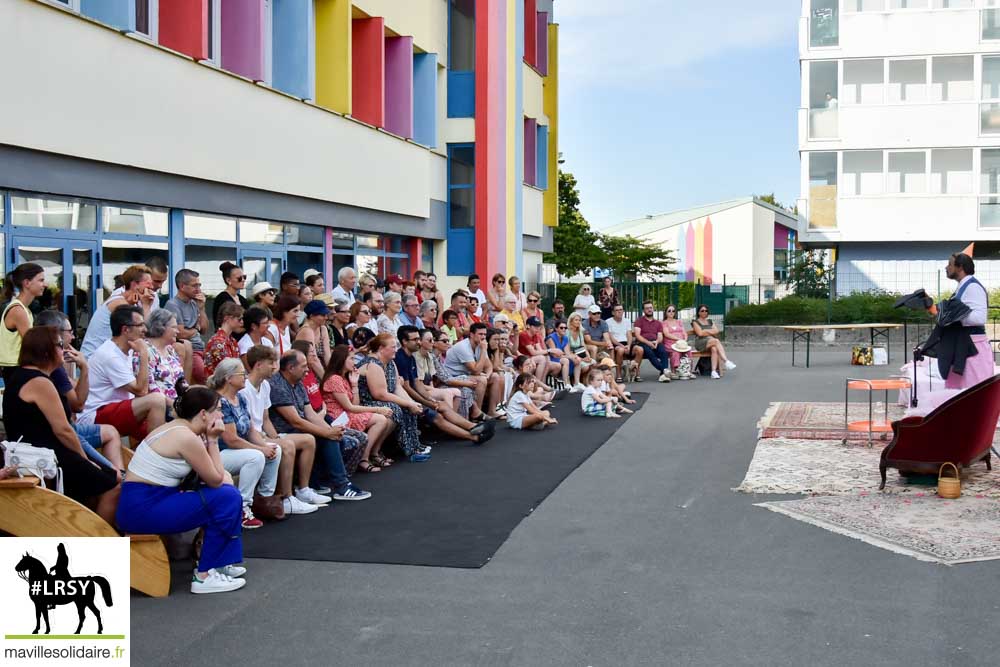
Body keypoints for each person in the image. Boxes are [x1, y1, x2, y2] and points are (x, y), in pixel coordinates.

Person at [117, 386, 247, 594]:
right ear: (203, 414)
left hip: (147, 502)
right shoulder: (186, 437)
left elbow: (215, 476)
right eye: (218, 409)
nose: (221, 415)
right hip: (144, 508)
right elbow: (215, 479)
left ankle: (219, 563)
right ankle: (204, 577)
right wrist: (213, 440)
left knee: (226, 493)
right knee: (227, 497)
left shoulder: (178, 429)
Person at [3, 327, 121, 525]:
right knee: (113, 486)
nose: (65, 348)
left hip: (42, 451)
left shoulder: (25, 376)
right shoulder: (39, 382)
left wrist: (85, 369)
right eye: (60, 345)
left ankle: (88, 533)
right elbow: (64, 430)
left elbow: (78, 405)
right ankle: (99, 541)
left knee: (106, 480)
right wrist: (85, 460)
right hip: (47, 455)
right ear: (46, 350)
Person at [270, 350, 370, 501]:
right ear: (291, 368)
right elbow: (295, 421)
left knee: (336, 437)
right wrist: (326, 433)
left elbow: (310, 414)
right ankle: (341, 486)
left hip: (299, 429)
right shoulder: (277, 385)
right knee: (327, 438)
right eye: (304, 366)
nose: (307, 369)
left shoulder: (297, 383)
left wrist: (330, 430)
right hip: (284, 432)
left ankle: (315, 483)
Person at [35, 311, 124, 472]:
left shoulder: (48, 364)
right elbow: (78, 405)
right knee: (113, 477)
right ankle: (118, 479)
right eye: (70, 332)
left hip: (65, 429)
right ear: (57, 334)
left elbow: (75, 394)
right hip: (61, 435)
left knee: (111, 432)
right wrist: (84, 368)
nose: (74, 337)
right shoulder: (53, 368)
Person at [238, 345, 318, 516]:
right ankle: (286, 498)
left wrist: (275, 436)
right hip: (251, 437)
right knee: (286, 446)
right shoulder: (244, 390)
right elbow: (249, 426)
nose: (275, 367)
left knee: (308, 440)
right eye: (271, 363)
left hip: (265, 434)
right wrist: (272, 439)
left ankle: (303, 490)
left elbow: (265, 419)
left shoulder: (265, 385)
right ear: (258, 365)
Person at [211, 359, 282, 530]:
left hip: (236, 450)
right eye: (241, 374)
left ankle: (265, 499)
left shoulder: (240, 398)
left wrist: (266, 446)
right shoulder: (220, 402)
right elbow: (231, 440)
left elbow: (250, 430)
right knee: (256, 456)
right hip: (218, 452)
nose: (245, 377)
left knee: (275, 449)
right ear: (228, 378)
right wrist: (260, 449)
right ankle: (242, 506)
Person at [79, 306, 168, 441]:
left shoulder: (128, 349)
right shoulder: (110, 355)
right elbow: (141, 391)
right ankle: (154, 455)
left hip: (119, 408)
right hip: (96, 415)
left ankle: (150, 453)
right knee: (156, 400)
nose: (145, 329)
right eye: (140, 325)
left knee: (170, 431)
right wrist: (144, 353)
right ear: (125, 329)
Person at [394, 326, 493, 444]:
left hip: (418, 395)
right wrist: (427, 402)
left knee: (443, 406)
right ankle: (474, 436)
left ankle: (472, 426)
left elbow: (417, 383)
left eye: (419, 339)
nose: (418, 342)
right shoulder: (401, 358)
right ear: (404, 341)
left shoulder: (411, 357)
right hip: (405, 399)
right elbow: (407, 388)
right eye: (415, 340)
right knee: (437, 416)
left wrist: (429, 399)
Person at [356, 334, 430, 461]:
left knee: (408, 407)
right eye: (393, 346)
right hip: (366, 402)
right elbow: (380, 394)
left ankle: (413, 447)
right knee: (395, 408)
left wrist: (411, 402)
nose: (396, 349)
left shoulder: (390, 362)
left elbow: (397, 387)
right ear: (381, 348)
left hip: (382, 400)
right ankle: (374, 452)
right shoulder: (373, 364)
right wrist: (408, 404)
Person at [322, 344, 395, 472]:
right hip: (338, 417)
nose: (354, 361)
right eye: (351, 358)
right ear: (341, 360)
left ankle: (374, 454)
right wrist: (377, 409)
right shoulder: (334, 379)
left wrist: (354, 384)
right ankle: (363, 459)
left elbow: (355, 403)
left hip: (348, 413)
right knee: (381, 419)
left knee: (388, 419)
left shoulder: (343, 378)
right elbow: (349, 407)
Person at [941, 251, 992, 390]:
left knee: (973, 391)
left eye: (950, 264)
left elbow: (980, 318)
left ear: (960, 267)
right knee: (960, 392)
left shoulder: (973, 287)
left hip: (973, 348)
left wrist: (953, 317)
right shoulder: (962, 287)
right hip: (963, 345)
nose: (946, 267)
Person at [81, 265, 156, 357]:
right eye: (148, 284)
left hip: (108, 355)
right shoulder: (119, 303)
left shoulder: (129, 302)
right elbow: (144, 331)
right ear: (134, 285)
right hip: (94, 357)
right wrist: (146, 305)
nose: (152, 287)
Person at [417, 327, 486, 420]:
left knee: (467, 386)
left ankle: (464, 419)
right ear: (436, 344)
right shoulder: (429, 356)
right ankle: (459, 420)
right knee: (464, 389)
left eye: (448, 341)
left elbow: (442, 378)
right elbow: (446, 379)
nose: (448, 343)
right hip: (429, 389)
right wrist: (466, 383)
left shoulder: (435, 357)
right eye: (444, 341)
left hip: (435, 386)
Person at [0, 262, 46, 382]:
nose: (44, 284)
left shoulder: (24, 309)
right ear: (27, 283)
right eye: (41, 280)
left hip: (16, 368)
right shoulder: (18, 311)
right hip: (15, 369)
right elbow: (32, 345)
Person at [164, 269, 210, 384]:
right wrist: (195, 329)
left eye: (199, 285)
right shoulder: (173, 305)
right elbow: (180, 334)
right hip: (191, 351)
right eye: (194, 285)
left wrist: (202, 309)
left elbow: (204, 329)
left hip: (201, 349)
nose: (198, 289)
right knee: (206, 378)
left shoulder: (195, 303)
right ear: (182, 286)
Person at [134, 309, 187, 404]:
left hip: (178, 403)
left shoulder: (170, 350)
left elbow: (181, 381)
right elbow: (149, 389)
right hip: (160, 406)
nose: (178, 331)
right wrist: (177, 408)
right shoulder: (144, 350)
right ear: (160, 327)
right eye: (174, 327)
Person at [692, 305, 736, 379]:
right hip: (700, 342)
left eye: (706, 311)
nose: (704, 312)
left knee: (714, 349)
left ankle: (713, 372)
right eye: (702, 311)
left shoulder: (710, 321)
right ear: (698, 312)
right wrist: (710, 332)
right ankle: (726, 361)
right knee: (716, 341)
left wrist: (705, 331)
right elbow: (700, 334)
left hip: (710, 341)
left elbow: (716, 331)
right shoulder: (695, 322)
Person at [633, 301, 672, 383]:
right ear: (643, 310)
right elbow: (638, 335)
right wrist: (648, 343)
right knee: (650, 353)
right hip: (643, 343)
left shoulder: (658, 323)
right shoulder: (639, 321)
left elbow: (660, 336)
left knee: (663, 351)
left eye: (650, 308)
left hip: (655, 342)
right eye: (647, 308)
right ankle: (664, 370)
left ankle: (663, 374)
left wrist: (657, 342)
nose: (649, 310)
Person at [204, 302, 244, 377]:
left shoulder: (232, 341)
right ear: (227, 318)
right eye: (239, 319)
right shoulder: (218, 342)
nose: (242, 322)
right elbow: (225, 371)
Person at [519, 316, 561, 385]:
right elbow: (533, 352)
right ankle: (538, 384)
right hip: (524, 359)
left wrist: (549, 353)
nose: (538, 328)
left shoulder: (535, 335)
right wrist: (551, 350)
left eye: (538, 326)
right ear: (528, 326)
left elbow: (540, 350)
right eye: (535, 326)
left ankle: (544, 383)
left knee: (557, 365)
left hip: (532, 358)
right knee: (541, 358)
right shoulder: (524, 335)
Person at [296, 299, 333, 374]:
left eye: (326, 315)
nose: (326, 318)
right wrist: (325, 380)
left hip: (319, 369)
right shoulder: (306, 331)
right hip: (305, 371)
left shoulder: (323, 329)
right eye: (323, 315)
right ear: (312, 316)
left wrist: (332, 375)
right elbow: (313, 360)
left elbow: (327, 356)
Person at [606, 304, 641, 380]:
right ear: (613, 312)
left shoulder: (627, 321)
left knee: (640, 349)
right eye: (617, 310)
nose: (619, 312)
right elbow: (611, 337)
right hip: (616, 343)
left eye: (621, 310)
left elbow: (629, 335)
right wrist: (621, 345)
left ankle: (635, 372)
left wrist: (628, 345)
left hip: (626, 343)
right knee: (621, 350)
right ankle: (618, 374)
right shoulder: (608, 322)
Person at [213, 262, 250, 328]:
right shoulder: (222, 298)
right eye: (239, 278)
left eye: (244, 277)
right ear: (228, 280)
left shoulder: (242, 299)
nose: (243, 280)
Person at [662, 305, 693, 380]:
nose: (671, 312)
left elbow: (684, 332)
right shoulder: (664, 323)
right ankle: (675, 370)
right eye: (669, 311)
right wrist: (678, 339)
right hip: (670, 343)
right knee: (675, 351)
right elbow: (666, 334)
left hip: (681, 343)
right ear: (666, 313)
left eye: (673, 311)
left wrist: (685, 339)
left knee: (688, 351)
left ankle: (688, 370)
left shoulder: (679, 322)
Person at [566, 313, 596, 391]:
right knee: (585, 367)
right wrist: (583, 359)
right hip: (571, 354)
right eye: (576, 320)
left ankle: (588, 383)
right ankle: (576, 381)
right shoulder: (567, 332)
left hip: (580, 352)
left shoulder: (580, 331)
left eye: (579, 320)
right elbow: (568, 350)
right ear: (571, 321)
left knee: (593, 362)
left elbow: (583, 346)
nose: (578, 322)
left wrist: (588, 356)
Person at [546, 319, 575, 388]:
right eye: (561, 328)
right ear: (556, 329)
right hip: (552, 358)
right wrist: (569, 356)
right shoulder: (551, 338)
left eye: (565, 328)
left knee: (577, 360)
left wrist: (573, 357)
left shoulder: (565, 338)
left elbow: (567, 352)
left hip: (561, 357)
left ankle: (576, 383)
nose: (564, 329)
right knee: (566, 360)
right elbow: (555, 354)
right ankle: (566, 383)